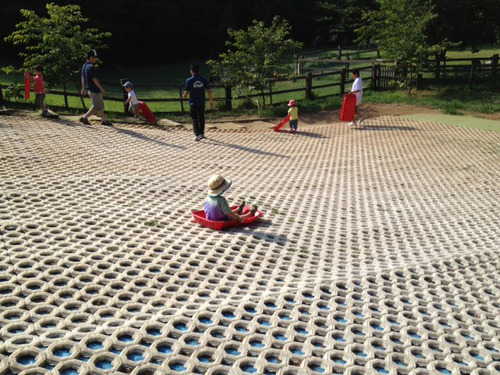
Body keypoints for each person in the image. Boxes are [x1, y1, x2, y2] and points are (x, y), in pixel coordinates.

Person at [183, 64, 214, 141]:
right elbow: (208, 91)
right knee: (201, 118)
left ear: (191, 71)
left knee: (194, 118)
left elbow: (186, 93)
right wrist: (211, 101)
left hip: (193, 103)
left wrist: (184, 95)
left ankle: (198, 134)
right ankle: (202, 133)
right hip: (202, 102)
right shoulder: (204, 79)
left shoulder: (189, 80)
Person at [80, 50, 111, 126]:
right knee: (96, 106)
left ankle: (104, 120)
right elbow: (94, 79)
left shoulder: (84, 66)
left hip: (89, 89)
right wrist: (101, 88)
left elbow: (82, 77)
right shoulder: (92, 67)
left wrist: (83, 88)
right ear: (91, 57)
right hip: (95, 89)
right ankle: (84, 117)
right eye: (95, 57)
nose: (96, 59)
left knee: (100, 105)